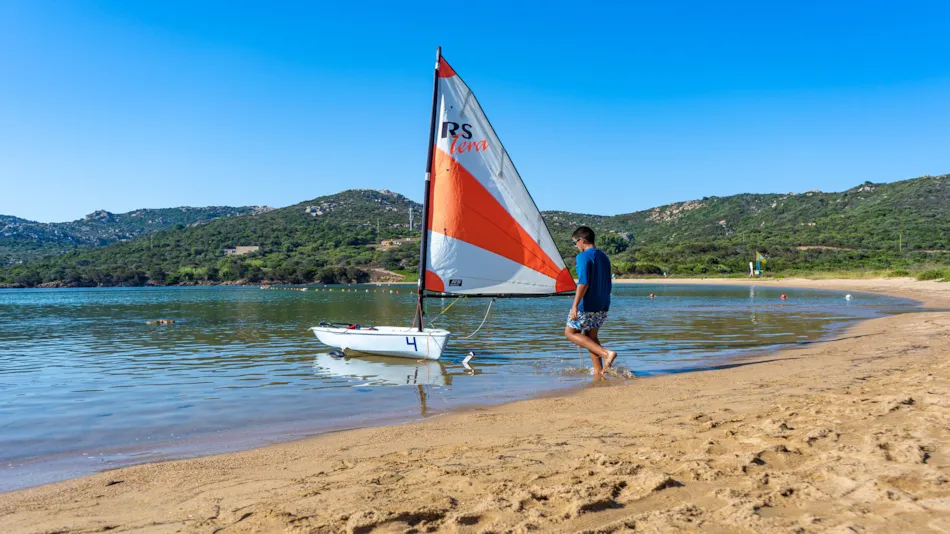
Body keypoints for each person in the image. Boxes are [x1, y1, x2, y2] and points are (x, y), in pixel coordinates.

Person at [564, 226, 617, 376]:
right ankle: (599, 372)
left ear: (582, 240)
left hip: (587, 305)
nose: (575, 246)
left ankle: (606, 353)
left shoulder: (583, 257)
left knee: (570, 333)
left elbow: (583, 283)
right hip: (603, 304)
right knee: (590, 337)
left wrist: (574, 306)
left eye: (575, 242)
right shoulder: (603, 256)